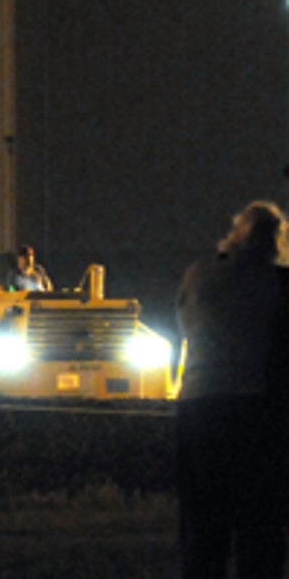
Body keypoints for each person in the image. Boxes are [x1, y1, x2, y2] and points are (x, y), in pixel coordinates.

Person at [175, 201, 289, 579]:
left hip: (197, 405)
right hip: (252, 408)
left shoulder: (199, 274)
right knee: (259, 527)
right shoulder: (276, 283)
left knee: (204, 525)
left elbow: (186, 324)